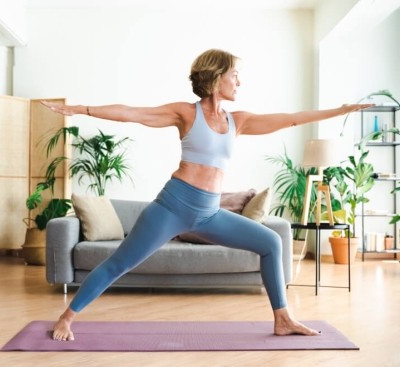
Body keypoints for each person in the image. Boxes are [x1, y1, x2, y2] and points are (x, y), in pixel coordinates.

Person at [42, 48, 373, 341]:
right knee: (119, 264)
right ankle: (67, 317)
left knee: (271, 243)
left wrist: (340, 110)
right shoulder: (186, 113)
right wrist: (82, 109)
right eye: (235, 75)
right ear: (217, 77)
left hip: (209, 213)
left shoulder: (237, 121)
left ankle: (283, 318)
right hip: (172, 207)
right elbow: (133, 113)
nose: (239, 82)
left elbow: (291, 119)